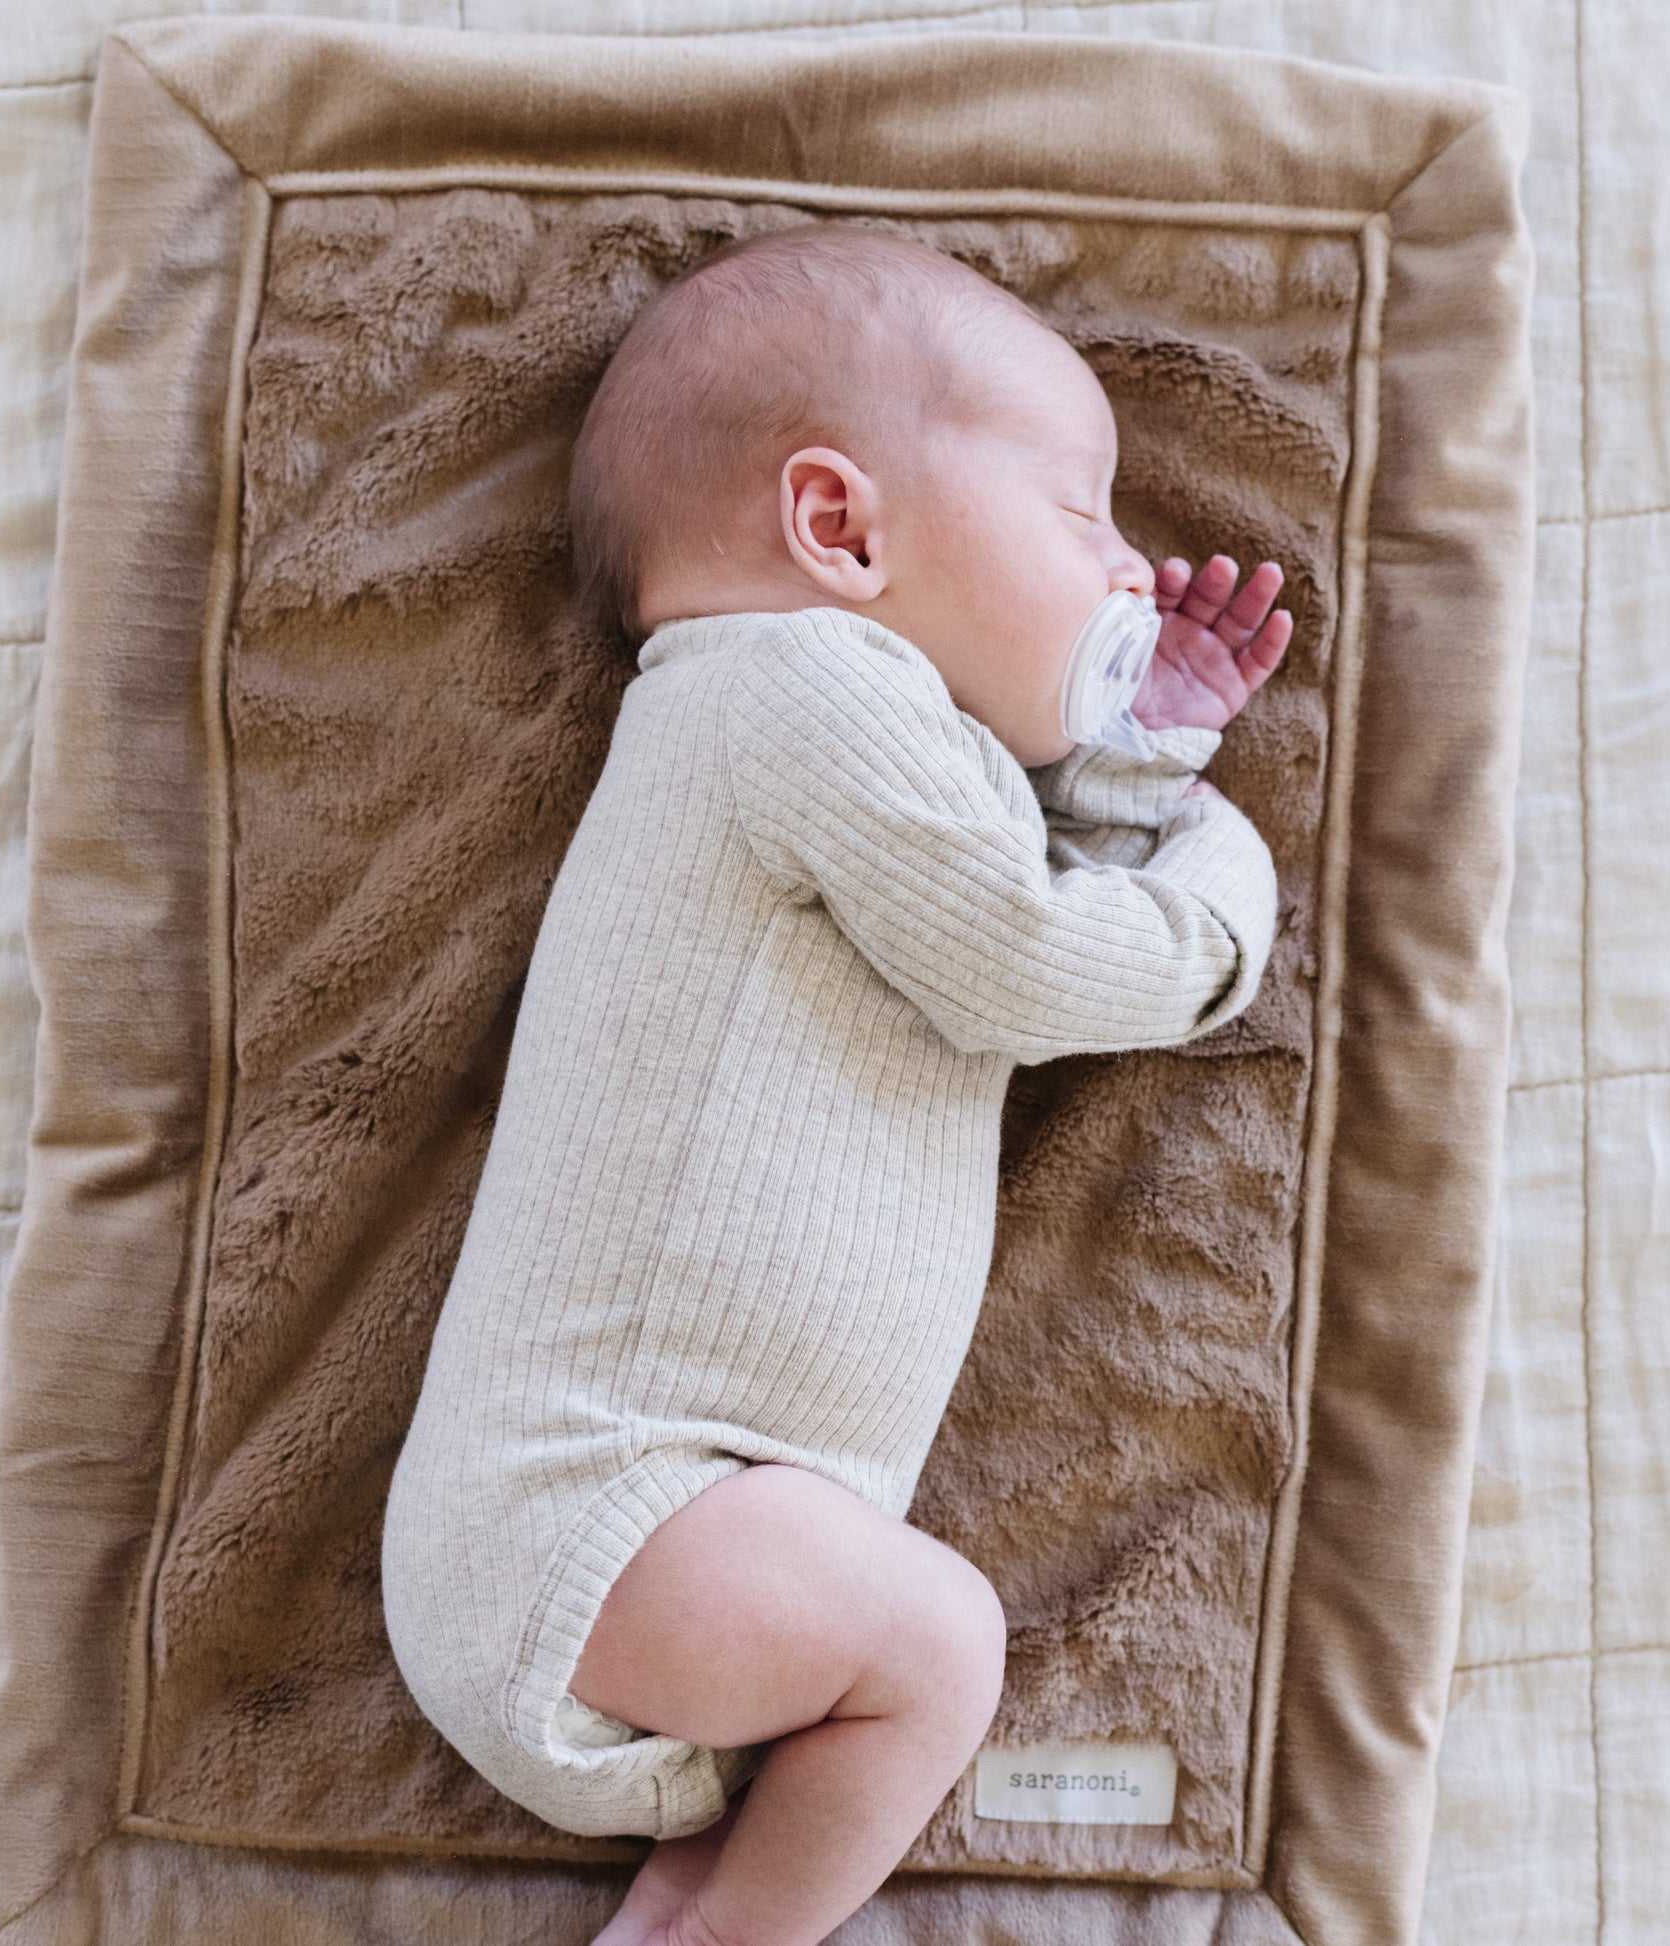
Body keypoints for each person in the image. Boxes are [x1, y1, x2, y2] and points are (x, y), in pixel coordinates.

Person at [380, 221, 1290, 1946]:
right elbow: (1023, 958)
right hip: (604, 1506)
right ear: (839, 527)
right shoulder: (801, 684)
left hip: (661, 1531)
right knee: (940, 1644)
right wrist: (1215, 887)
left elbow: (983, 893)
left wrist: (1128, 759)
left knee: (913, 1639)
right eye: (1080, 510)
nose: (1124, 564)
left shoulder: (822, 723)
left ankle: (683, 1913)